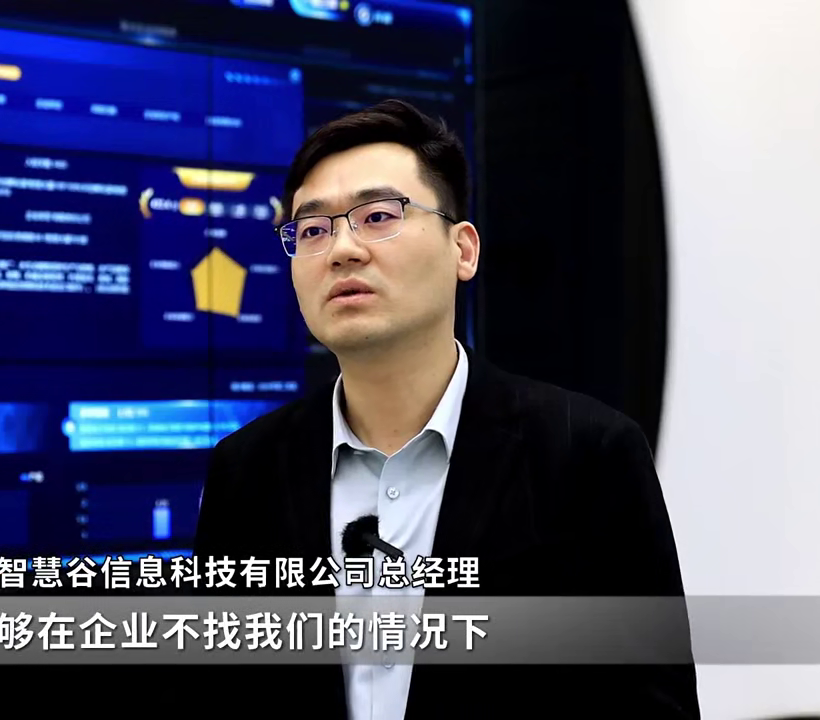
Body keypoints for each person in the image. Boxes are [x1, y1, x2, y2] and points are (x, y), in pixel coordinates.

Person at [191, 99, 700, 718]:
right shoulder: (245, 471)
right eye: (313, 230)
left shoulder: (586, 455)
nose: (342, 249)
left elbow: (653, 704)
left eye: (378, 216)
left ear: (463, 250)